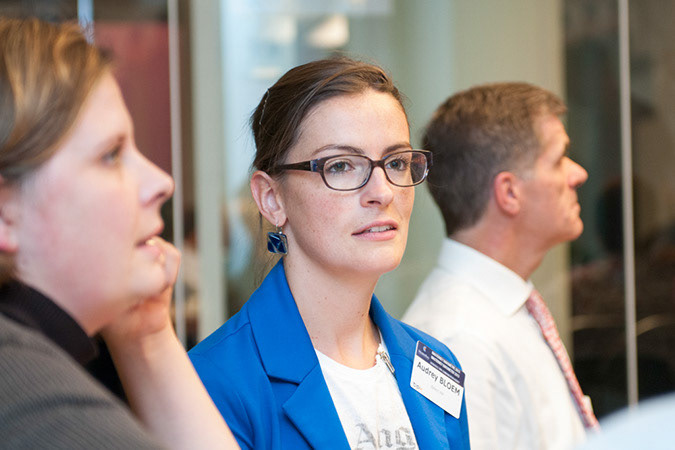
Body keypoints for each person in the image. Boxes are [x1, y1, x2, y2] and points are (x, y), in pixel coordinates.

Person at [189, 57, 471, 449]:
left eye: (396, 162)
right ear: (271, 199)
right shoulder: (213, 383)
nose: (383, 192)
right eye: (340, 166)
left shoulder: (436, 363)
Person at [0, 16, 237, 449]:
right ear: (5, 214)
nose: (162, 182)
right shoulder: (42, 412)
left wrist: (147, 333)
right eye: (110, 155)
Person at [402, 82, 594, 449]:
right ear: (509, 193)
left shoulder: (506, 309)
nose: (578, 174)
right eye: (558, 160)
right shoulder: (458, 340)